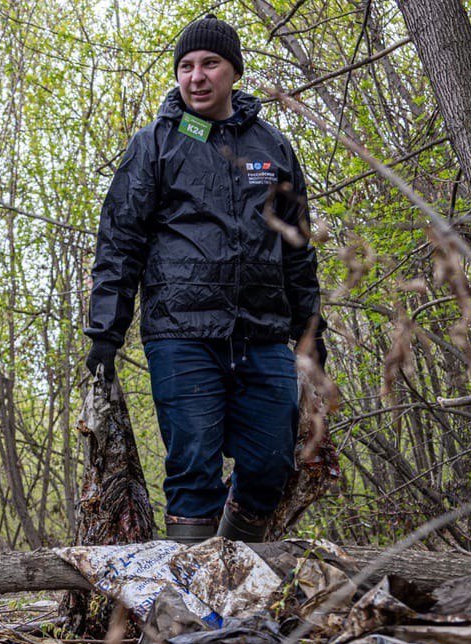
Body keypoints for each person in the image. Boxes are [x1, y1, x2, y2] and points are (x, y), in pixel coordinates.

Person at [84, 14, 326, 544]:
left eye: (209, 64)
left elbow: (297, 246)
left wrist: (310, 332)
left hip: (262, 333)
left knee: (269, 463)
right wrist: (106, 332)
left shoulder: (273, 147)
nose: (196, 76)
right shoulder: (155, 144)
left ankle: (236, 573)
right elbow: (120, 241)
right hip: (182, 333)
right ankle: (199, 614)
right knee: (193, 466)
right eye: (186, 66)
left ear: (233, 72)